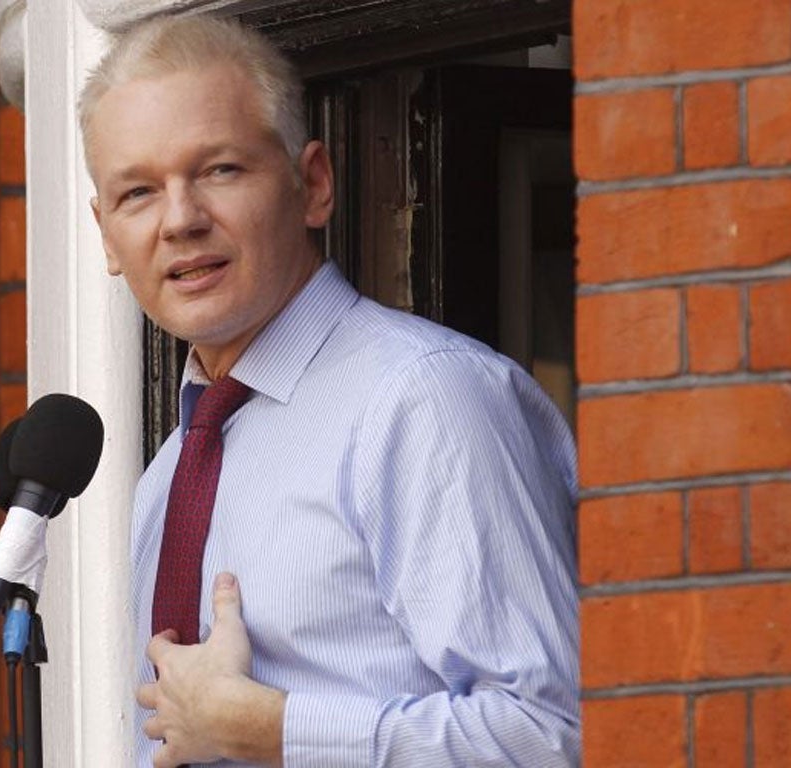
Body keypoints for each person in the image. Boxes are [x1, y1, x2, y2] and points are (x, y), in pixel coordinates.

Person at [79, 14, 579, 767]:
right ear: (108, 238)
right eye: (138, 193)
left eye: (220, 170)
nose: (180, 220)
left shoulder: (424, 400)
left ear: (312, 185)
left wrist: (272, 729)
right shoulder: (168, 477)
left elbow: (554, 736)